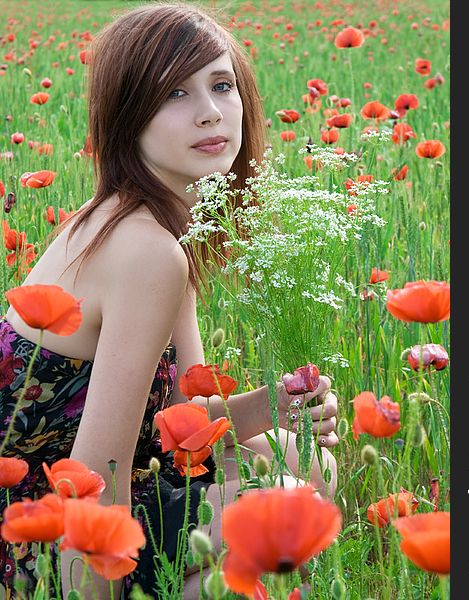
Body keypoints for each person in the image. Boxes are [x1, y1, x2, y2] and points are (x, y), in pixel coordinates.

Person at [0, 2, 339, 598]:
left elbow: (182, 422)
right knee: (290, 510)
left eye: (221, 84)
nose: (210, 113)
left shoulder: (146, 222)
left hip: (67, 483)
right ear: (129, 116)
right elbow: (97, 473)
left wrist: (277, 409)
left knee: (305, 459)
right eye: (175, 93)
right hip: (35, 530)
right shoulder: (146, 252)